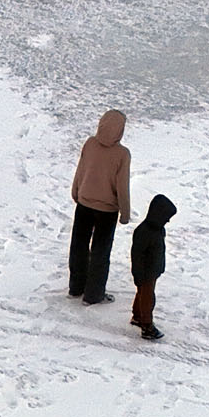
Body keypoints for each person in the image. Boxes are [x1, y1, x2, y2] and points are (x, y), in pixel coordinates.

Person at [68, 110, 132, 304]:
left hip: (84, 203)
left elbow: (81, 170)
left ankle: (76, 287)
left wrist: (76, 192)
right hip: (107, 210)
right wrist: (125, 212)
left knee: (78, 246)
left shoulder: (90, 144)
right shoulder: (122, 154)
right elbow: (122, 185)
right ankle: (93, 295)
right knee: (100, 252)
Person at [129, 193, 175, 340]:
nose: (168, 220)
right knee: (148, 299)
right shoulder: (144, 232)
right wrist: (138, 274)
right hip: (145, 272)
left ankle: (138, 316)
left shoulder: (158, 229)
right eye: (166, 217)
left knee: (142, 295)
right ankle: (147, 325)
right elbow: (137, 255)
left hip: (152, 270)